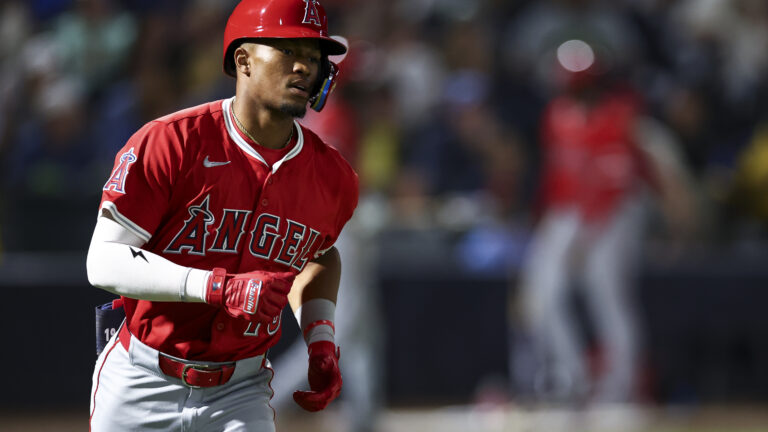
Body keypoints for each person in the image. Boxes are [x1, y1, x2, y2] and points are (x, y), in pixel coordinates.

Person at [86, 1, 358, 431]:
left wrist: (320, 337)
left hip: (241, 390)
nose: (305, 67)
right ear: (243, 60)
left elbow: (319, 254)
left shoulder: (334, 177)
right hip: (142, 378)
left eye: (313, 57)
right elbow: (103, 261)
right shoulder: (171, 142)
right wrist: (216, 286)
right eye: (289, 51)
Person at [509, 38, 698, 406]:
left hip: (613, 214)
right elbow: (555, 176)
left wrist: (583, 241)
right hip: (566, 212)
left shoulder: (618, 117)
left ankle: (620, 387)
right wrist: (544, 222)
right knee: (541, 300)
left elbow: (614, 183)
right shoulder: (556, 115)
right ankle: (572, 379)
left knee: (606, 293)